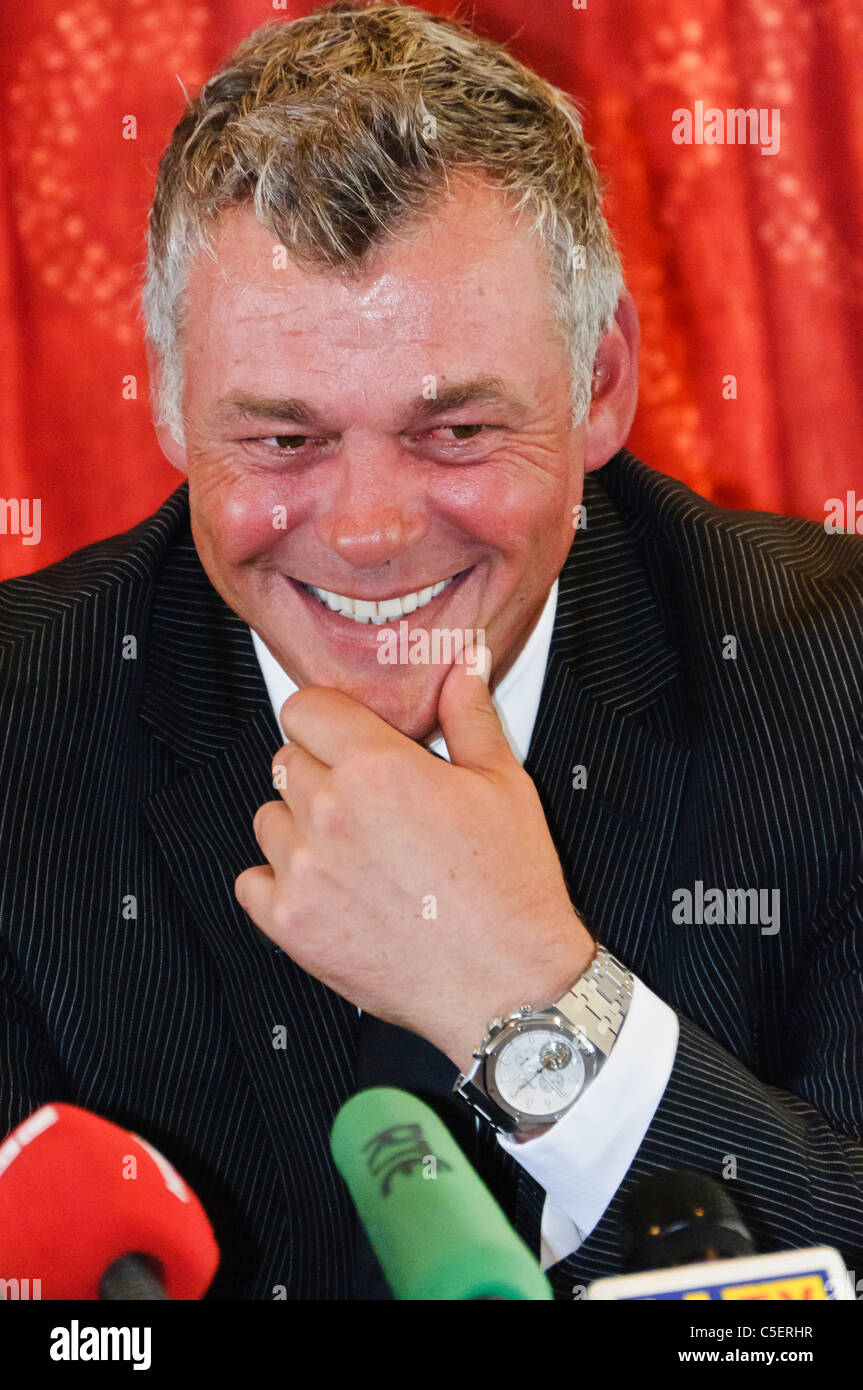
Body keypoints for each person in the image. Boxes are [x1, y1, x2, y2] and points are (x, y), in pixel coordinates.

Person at [1, 1, 861, 1300]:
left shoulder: (839, 682)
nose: (367, 531)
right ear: (174, 405)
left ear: (602, 383)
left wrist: (536, 998)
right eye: (284, 440)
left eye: (454, 430)